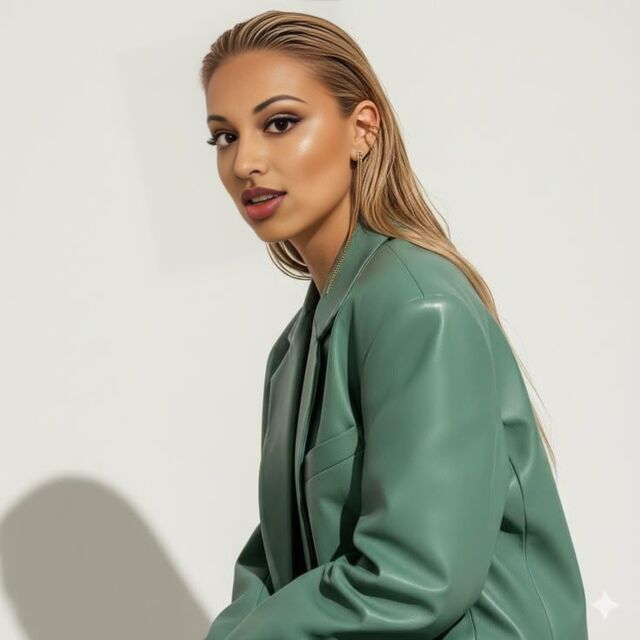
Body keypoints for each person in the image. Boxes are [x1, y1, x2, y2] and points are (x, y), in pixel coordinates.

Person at [199, 9, 589, 640]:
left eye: (280, 123)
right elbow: (273, 561)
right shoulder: (294, 349)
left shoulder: (419, 307)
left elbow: (415, 577)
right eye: (224, 136)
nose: (245, 162)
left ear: (362, 129)